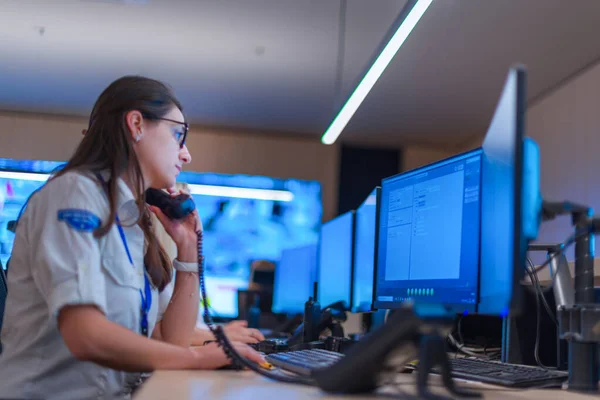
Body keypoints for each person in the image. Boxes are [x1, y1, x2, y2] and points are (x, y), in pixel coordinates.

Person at [0, 76, 263, 400]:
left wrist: (187, 248)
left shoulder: (130, 223)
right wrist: (198, 358)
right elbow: (85, 335)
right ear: (136, 124)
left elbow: (171, 342)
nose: (186, 155)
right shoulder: (74, 194)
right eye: (177, 135)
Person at [151, 182, 265, 345]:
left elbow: (178, 330)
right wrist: (218, 335)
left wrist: (217, 331)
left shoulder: (173, 269)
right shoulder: (150, 271)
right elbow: (158, 334)